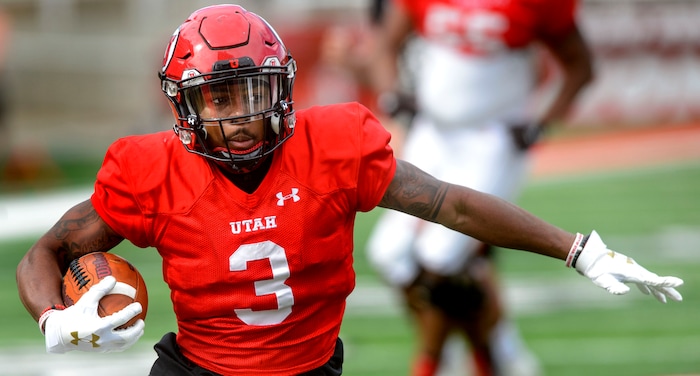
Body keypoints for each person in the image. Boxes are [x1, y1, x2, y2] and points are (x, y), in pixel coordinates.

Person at [15, 4, 681, 376]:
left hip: (309, 374)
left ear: (282, 90)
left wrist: (578, 249)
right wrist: (54, 317)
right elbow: (44, 253)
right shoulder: (149, 171)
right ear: (183, 105)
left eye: (252, 94)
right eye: (217, 97)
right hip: (198, 374)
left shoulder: (332, 148)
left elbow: (453, 203)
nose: (240, 117)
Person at [361, 0, 595, 374]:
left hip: (492, 139)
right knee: (390, 255)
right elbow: (384, 45)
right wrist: (392, 95)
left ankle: (434, 362)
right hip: (432, 133)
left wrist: (542, 120)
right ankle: (495, 353)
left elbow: (580, 66)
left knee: (442, 256)